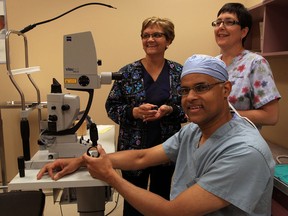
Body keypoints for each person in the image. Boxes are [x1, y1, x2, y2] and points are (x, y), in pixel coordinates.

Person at [38, 54, 275, 216]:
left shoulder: (244, 152)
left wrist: (112, 177)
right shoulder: (193, 131)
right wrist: (81, 160)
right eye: (184, 90)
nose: (190, 97)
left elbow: (172, 213)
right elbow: (142, 157)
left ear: (225, 90)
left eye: (201, 87)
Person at [104, 16, 186, 215]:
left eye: (157, 35)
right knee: (133, 199)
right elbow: (112, 106)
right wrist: (133, 112)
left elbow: (189, 108)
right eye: (146, 35)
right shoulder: (127, 72)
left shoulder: (179, 72)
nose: (150, 39)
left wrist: (170, 110)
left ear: (169, 40)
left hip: (166, 148)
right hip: (132, 147)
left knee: (162, 198)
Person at [212, 3, 281, 128]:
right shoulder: (213, 64)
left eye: (229, 22)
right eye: (218, 22)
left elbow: (271, 116)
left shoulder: (255, 63)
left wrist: (224, 116)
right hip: (210, 135)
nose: (221, 27)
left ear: (243, 32)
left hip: (239, 140)